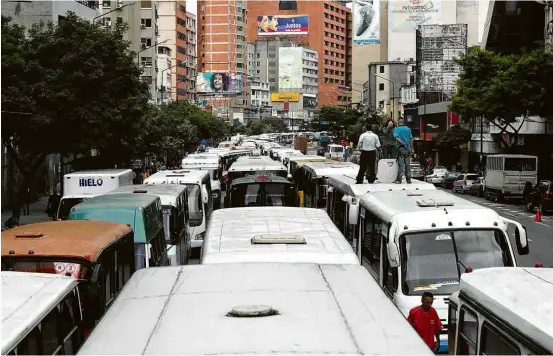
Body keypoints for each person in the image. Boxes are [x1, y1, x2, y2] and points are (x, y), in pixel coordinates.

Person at [393, 118, 413, 184]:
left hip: (401, 148)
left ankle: (399, 179)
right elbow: (411, 139)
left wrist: (403, 143)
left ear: (398, 122)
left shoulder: (397, 129)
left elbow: (397, 138)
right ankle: (408, 180)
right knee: (407, 165)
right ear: (403, 122)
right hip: (408, 149)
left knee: (400, 165)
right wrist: (411, 148)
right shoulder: (408, 129)